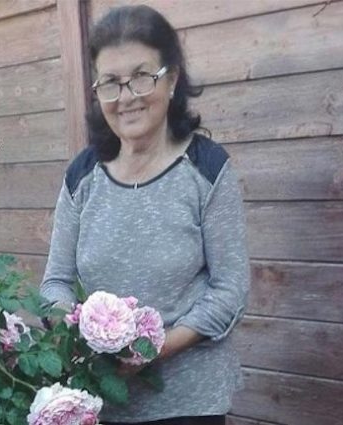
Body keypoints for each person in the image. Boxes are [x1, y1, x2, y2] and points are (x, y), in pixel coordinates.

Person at [40, 5, 250, 425]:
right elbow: (55, 282)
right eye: (110, 83)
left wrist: (156, 348)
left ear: (171, 80)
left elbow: (231, 290)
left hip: (189, 404)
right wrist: (75, 332)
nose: (126, 97)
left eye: (141, 76)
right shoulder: (83, 175)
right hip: (101, 400)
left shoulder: (206, 169)